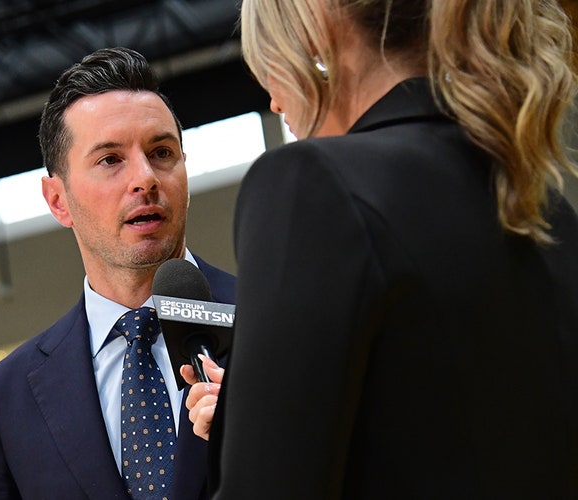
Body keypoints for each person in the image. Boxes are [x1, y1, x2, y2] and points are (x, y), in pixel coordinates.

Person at [183, 0, 578, 498]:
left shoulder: (311, 185)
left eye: (270, 64)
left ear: (316, 31)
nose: (276, 104)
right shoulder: (545, 206)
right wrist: (256, 420)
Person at [0, 47, 235, 499]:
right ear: (58, 200)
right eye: (110, 160)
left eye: (162, 152)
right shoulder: (5, 399)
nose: (145, 177)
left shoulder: (277, 325)